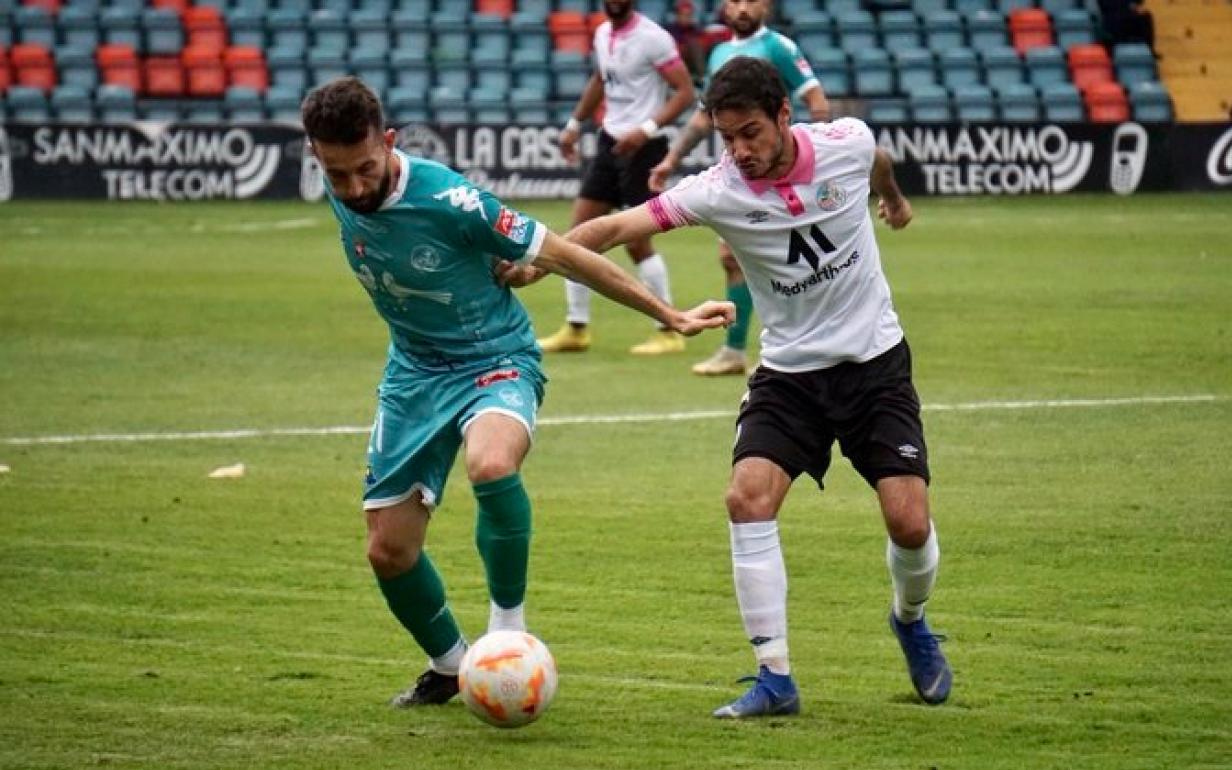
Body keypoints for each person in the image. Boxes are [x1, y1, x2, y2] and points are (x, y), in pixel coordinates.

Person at [502, 57, 952, 717]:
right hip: (789, 376)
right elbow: (618, 226)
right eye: (726, 137)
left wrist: (893, 198)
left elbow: (878, 160)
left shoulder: (846, 143)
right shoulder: (717, 189)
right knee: (746, 500)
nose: (739, 150)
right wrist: (538, 264)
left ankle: (910, 619)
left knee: (908, 523)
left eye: (750, 134)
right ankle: (775, 679)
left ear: (784, 117)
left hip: (874, 365)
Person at [300, 76, 733, 708]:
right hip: (413, 374)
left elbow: (564, 253)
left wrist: (666, 314)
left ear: (388, 142)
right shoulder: (346, 187)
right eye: (337, 176)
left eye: (365, 168)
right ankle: (451, 665)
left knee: (491, 462)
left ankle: (508, 633)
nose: (355, 188)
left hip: (494, 360)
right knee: (389, 551)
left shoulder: (454, 200)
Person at [649, 0, 831, 377]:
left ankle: (793, 345)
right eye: (734, 1)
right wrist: (671, 158)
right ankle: (736, 351)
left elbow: (816, 101)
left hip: (780, 176)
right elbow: (704, 117)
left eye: (751, 0)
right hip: (740, 177)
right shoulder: (720, 52)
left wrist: (818, 156)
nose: (742, 8)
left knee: (790, 260)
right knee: (733, 258)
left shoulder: (778, 47)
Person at [539, 0, 697, 356]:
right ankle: (576, 327)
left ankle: (669, 329)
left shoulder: (653, 38)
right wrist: (574, 124)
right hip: (610, 139)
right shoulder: (602, 33)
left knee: (637, 243)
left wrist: (646, 129)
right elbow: (600, 78)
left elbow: (685, 92)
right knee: (576, 234)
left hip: (644, 146)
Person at [665, 0, 707, 85]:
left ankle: (702, 78)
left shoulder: (695, 29)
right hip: (675, 65)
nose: (687, 18)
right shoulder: (669, 30)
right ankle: (702, 78)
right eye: (684, 15)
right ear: (677, 15)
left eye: (689, 15)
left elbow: (703, 45)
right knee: (692, 45)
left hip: (691, 64)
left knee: (695, 44)